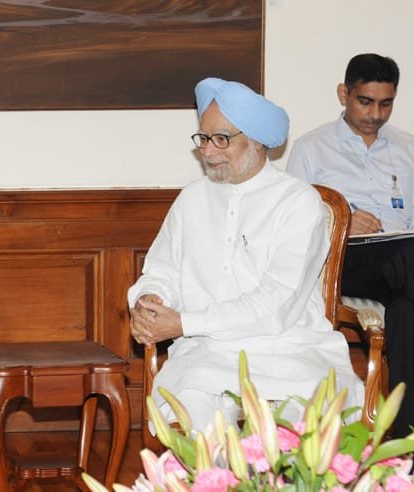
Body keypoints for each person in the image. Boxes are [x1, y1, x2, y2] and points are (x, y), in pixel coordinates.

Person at [128, 77, 364, 431]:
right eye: (204, 138)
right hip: (208, 351)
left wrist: (183, 323)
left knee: (302, 424)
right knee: (192, 403)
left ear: (257, 141)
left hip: (289, 349)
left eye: (221, 139)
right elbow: (163, 269)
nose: (207, 151)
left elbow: (277, 304)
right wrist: (151, 300)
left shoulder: (297, 202)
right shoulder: (192, 199)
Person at [287, 53, 414, 438]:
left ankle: (404, 435)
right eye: (366, 101)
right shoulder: (312, 148)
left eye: (386, 103)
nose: (376, 113)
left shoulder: (409, 148)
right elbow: (293, 225)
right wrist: (341, 222)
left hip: (404, 260)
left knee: (406, 313)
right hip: (347, 258)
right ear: (344, 93)